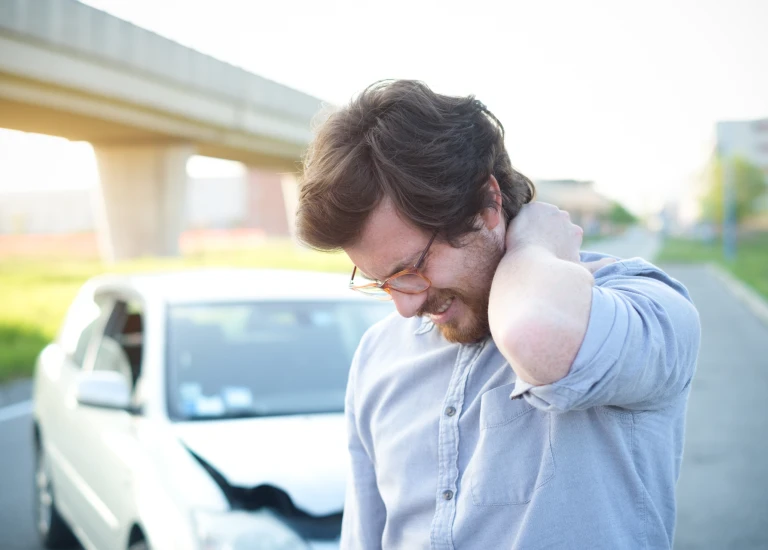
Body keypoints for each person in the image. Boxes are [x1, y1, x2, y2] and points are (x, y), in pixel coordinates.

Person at [296, 80, 701, 549]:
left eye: (413, 269)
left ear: (488, 203)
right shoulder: (377, 353)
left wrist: (531, 243)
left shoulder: (642, 304)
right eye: (382, 281)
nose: (405, 308)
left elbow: (540, 338)